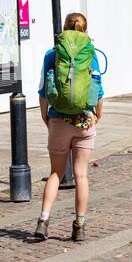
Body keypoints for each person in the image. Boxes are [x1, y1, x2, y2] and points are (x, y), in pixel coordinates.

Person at [35, 13, 104, 242]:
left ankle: (43, 222)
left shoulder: (52, 54)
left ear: (64, 30)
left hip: (58, 120)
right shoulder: (91, 54)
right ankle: (79, 227)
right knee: (81, 175)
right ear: (85, 30)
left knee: (55, 173)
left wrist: (46, 117)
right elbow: (99, 90)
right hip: (84, 120)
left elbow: (44, 90)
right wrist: (97, 116)